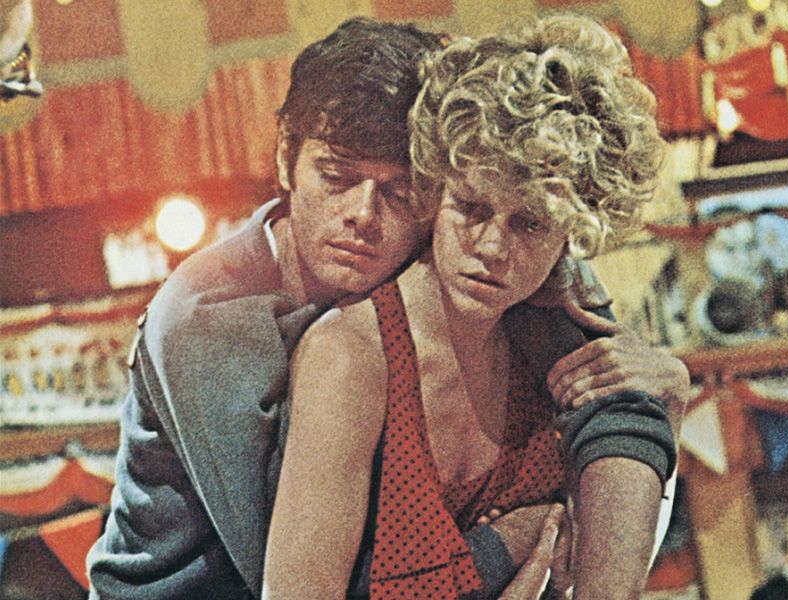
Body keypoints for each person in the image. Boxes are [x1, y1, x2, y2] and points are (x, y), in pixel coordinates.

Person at [87, 16, 687, 600]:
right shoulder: (207, 318)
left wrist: (659, 387)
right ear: (285, 160)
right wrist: (509, 543)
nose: (362, 215)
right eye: (336, 177)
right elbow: (296, 570)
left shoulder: (492, 243)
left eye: (397, 191)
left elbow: (618, 410)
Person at [264, 15, 673, 599]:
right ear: (432, 191)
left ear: (571, 234)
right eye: (472, 208)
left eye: (529, 223)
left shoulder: (549, 328)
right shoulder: (350, 357)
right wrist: (508, 545)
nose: (492, 248)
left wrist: (669, 396)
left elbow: (623, 519)